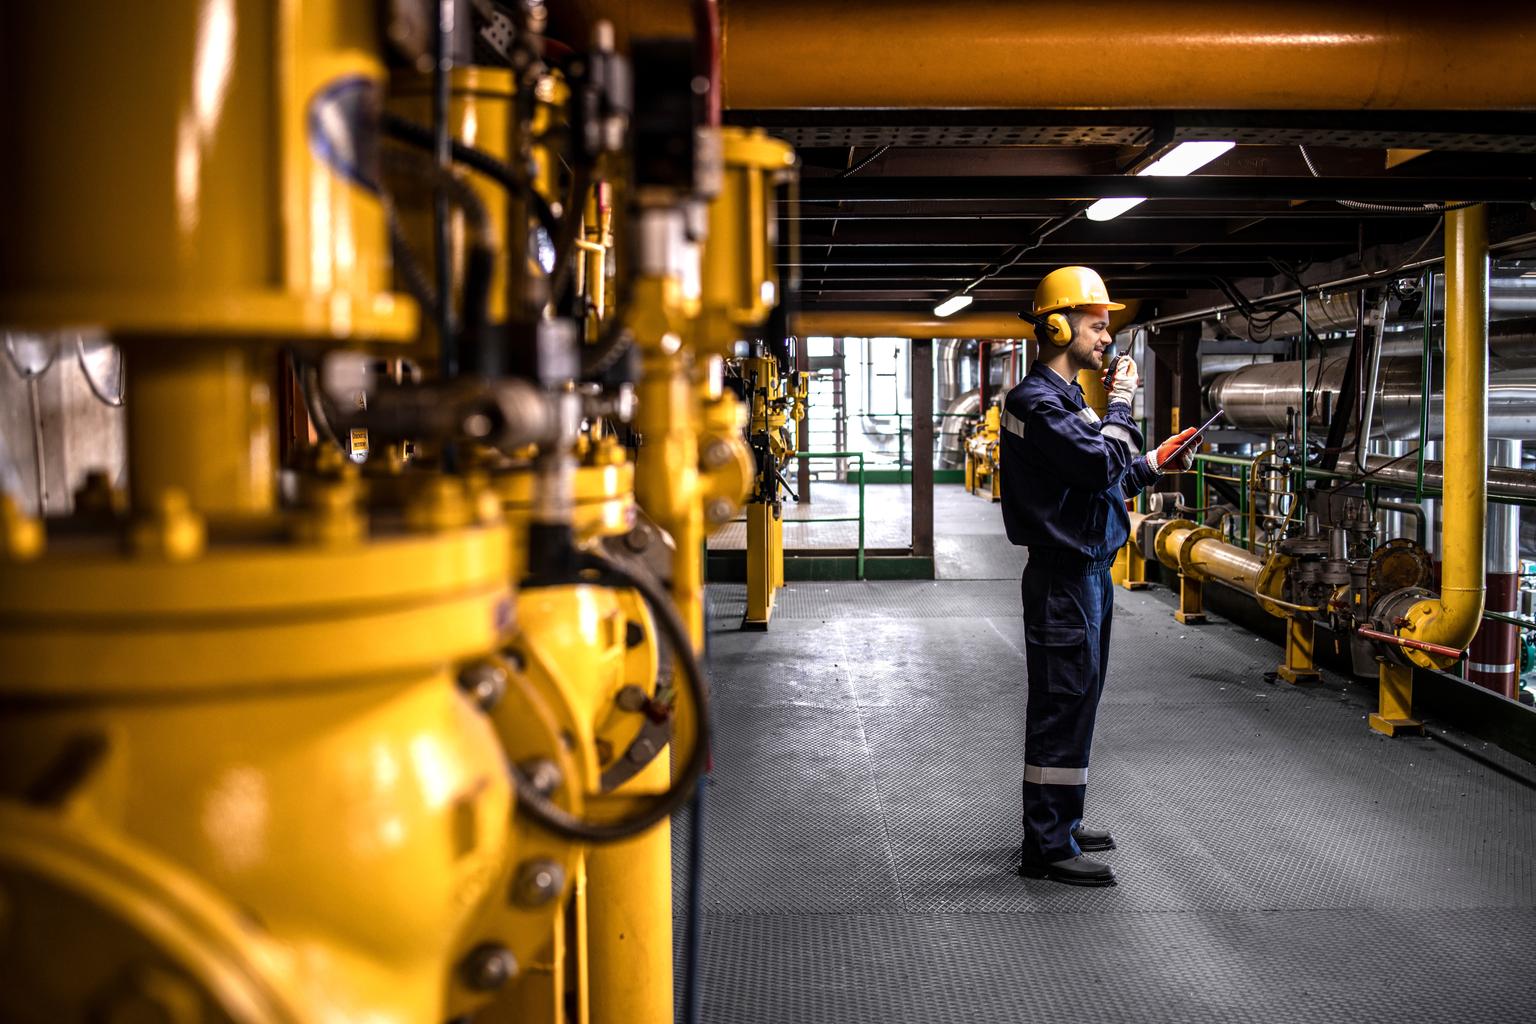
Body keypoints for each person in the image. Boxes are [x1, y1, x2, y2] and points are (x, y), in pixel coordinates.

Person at [1000, 265, 1198, 887]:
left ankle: (1063, 819)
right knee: (1063, 703)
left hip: (1089, 573)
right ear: (1058, 327)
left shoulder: (1066, 402)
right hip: (1064, 577)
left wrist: (1150, 464)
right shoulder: (1035, 401)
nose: (1108, 338)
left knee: (1080, 699)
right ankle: (1047, 845)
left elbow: (1098, 478)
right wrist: (1122, 407)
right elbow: (1091, 465)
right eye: (1097, 325)